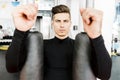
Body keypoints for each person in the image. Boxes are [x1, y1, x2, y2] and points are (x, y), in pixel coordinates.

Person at [6, 4, 112, 80]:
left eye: (65, 21)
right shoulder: (40, 46)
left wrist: (96, 36)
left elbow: (105, 74)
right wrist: (19, 32)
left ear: (70, 23)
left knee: (84, 40)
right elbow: (11, 67)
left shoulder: (80, 47)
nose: (62, 25)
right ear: (52, 23)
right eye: (58, 21)